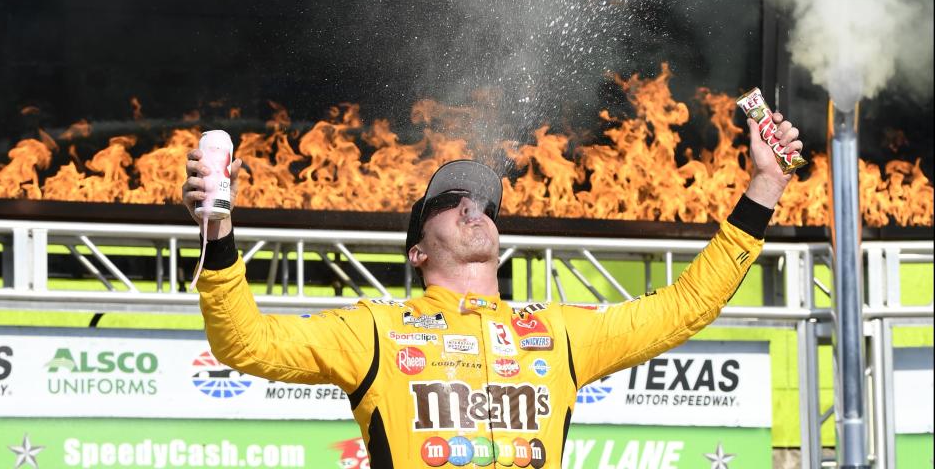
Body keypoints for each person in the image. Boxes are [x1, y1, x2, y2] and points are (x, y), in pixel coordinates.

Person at [183, 113, 802, 468]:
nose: (472, 208)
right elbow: (246, 344)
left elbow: (687, 306)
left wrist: (765, 187)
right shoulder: (374, 327)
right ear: (417, 250)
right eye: (450, 202)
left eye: (483, 203)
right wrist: (220, 234)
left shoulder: (557, 330)